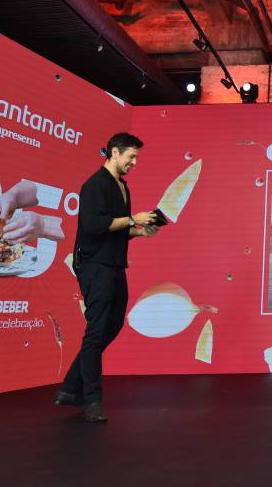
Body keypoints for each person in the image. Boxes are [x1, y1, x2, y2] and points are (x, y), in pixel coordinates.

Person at [53, 133, 160, 422]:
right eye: (131, 157)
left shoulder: (122, 187)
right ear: (114, 152)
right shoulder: (94, 185)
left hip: (114, 265)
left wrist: (140, 230)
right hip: (94, 266)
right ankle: (91, 401)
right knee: (97, 331)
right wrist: (132, 219)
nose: (134, 163)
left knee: (111, 326)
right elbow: (92, 225)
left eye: (136, 158)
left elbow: (117, 229)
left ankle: (71, 388)